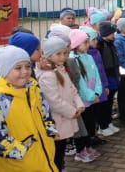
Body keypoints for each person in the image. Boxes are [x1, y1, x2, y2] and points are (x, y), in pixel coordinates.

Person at [0, 45, 58, 171]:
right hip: (19, 165)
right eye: (18, 68)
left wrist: (49, 130)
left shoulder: (34, 90)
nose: (25, 71)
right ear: (5, 71)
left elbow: (46, 112)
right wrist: (20, 150)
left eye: (27, 66)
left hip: (44, 157)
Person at [36, 36, 85, 172]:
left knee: (61, 147)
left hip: (65, 118)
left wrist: (79, 104)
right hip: (58, 120)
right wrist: (72, 111)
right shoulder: (47, 75)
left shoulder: (60, 69)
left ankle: (60, 166)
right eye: (58, 54)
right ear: (48, 54)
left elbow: (72, 90)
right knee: (56, 149)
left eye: (64, 53)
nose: (62, 57)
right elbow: (54, 101)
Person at [69, 29, 102, 163]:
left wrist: (97, 92)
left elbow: (97, 75)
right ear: (76, 44)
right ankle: (80, 150)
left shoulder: (89, 57)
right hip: (83, 99)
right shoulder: (73, 60)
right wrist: (89, 95)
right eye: (85, 42)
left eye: (88, 41)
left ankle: (88, 147)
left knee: (90, 124)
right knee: (82, 127)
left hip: (92, 97)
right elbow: (80, 82)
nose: (88, 44)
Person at [80, 26, 119, 137]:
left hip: (101, 83)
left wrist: (105, 84)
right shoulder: (87, 55)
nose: (96, 41)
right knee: (100, 108)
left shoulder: (96, 51)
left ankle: (107, 122)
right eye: (93, 40)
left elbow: (100, 70)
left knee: (107, 105)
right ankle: (103, 126)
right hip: (94, 88)